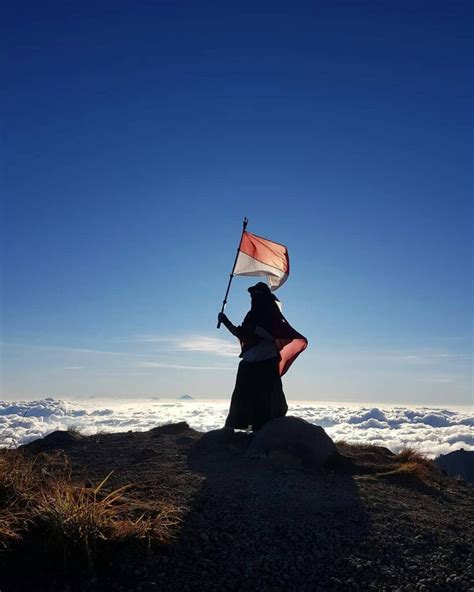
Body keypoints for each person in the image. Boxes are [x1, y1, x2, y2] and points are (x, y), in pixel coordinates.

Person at [218, 281, 307, 431]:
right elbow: (242, 333)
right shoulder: (251, 315)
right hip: (249, 363)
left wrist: (256, 329)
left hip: (266, 363)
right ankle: (240, 426)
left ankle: (264, 429)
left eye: (257, 294)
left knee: (266, 399)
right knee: (242, 398)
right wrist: (226, 322)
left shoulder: (272, 314)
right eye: (253, 295)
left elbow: (274, 335)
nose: (254, 297)